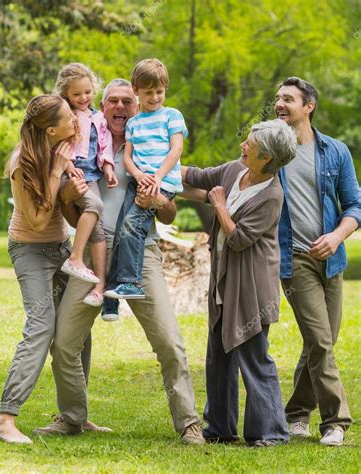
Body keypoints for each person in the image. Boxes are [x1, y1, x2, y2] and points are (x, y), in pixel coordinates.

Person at [31, 79, 207, 445]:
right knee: (64, 343)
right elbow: (67, 211)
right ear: (103, 105)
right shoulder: (83, 146)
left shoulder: (150, 147)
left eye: (128, 101)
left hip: (141, 253)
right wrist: (66, 192)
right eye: (113, 100)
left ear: (138, 106)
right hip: (94, 253)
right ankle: (73, 416)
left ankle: (189, 423)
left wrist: (155, 202)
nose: (121, 106)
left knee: (169, 343)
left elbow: (171, 212)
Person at [182, 119, 297, 447]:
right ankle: (219, 427)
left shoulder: (272, 195)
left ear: (268, 158)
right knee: (218, 352)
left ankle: (271, 432)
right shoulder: (235, 170)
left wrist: (219, 206)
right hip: (223, 278)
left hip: (252, 285)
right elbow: (198, 176)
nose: (243, 146)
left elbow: (240, 239)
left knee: (253, 355)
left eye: (251, 145)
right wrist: (157, 167)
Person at [0, 95, 93, 444]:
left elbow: (67, 198)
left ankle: (75, 416)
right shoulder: (23, 162)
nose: (75, 121)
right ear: (51, 130)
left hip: (61, 247)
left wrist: (70, 183)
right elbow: (35, 222)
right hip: (30, 250)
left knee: (76, 326)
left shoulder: (62, 149)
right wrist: (55, 172)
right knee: (40, 327)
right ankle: (6, 419)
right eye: (68, 118)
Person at [275, 77, 360, 446]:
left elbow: (355, 205)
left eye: (288, 99)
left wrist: (337, 235)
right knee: (321, 342)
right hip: (294, 260)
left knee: (319, 342)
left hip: (333, 260)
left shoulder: (335, 151)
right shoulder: (270, 149)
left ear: (308, 107)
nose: (280, 103)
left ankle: (295, 414)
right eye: (278, 98)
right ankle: (335, 421)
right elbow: (235, 178)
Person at [104, 59, 186, 302]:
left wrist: (157, 179)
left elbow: (176, 149)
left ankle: (131, 283)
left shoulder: (171, 116)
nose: (154, 97)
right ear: (136, 90)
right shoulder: (134, 123)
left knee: (132, 226)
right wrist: (139, 175)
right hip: (139, 181)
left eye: (159, 92)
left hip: (162, 184)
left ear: (165, 89)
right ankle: (111, 297)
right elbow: (128, 157)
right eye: (148, 92)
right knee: (122, 227)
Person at [54, 63, 118, 308]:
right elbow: (59, 144)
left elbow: (105, 145)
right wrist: (68, 165)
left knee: (98, 231)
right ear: (66, 94)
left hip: (91, 175)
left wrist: (109, 168)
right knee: (95, 204)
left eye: (88, 92)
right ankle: (76, 257)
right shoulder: (63, 115)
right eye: (76, 94)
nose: (83, 98)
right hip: (70, 172)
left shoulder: (98, 117)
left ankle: (100, 287)